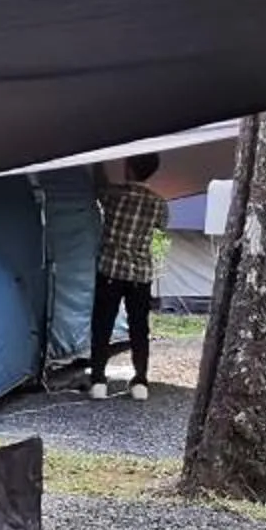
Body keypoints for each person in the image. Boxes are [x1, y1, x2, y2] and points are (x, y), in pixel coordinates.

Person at [89, 156, 163, 401]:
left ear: (128, 167)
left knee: (103, 325)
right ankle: (140, 381)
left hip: (110, 269)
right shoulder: (159, 203)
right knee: (139, 327)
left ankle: (98, 380)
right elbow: (162, 227)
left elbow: (98, 187)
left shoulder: (114, 195)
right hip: (140, 274)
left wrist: (97, 159)